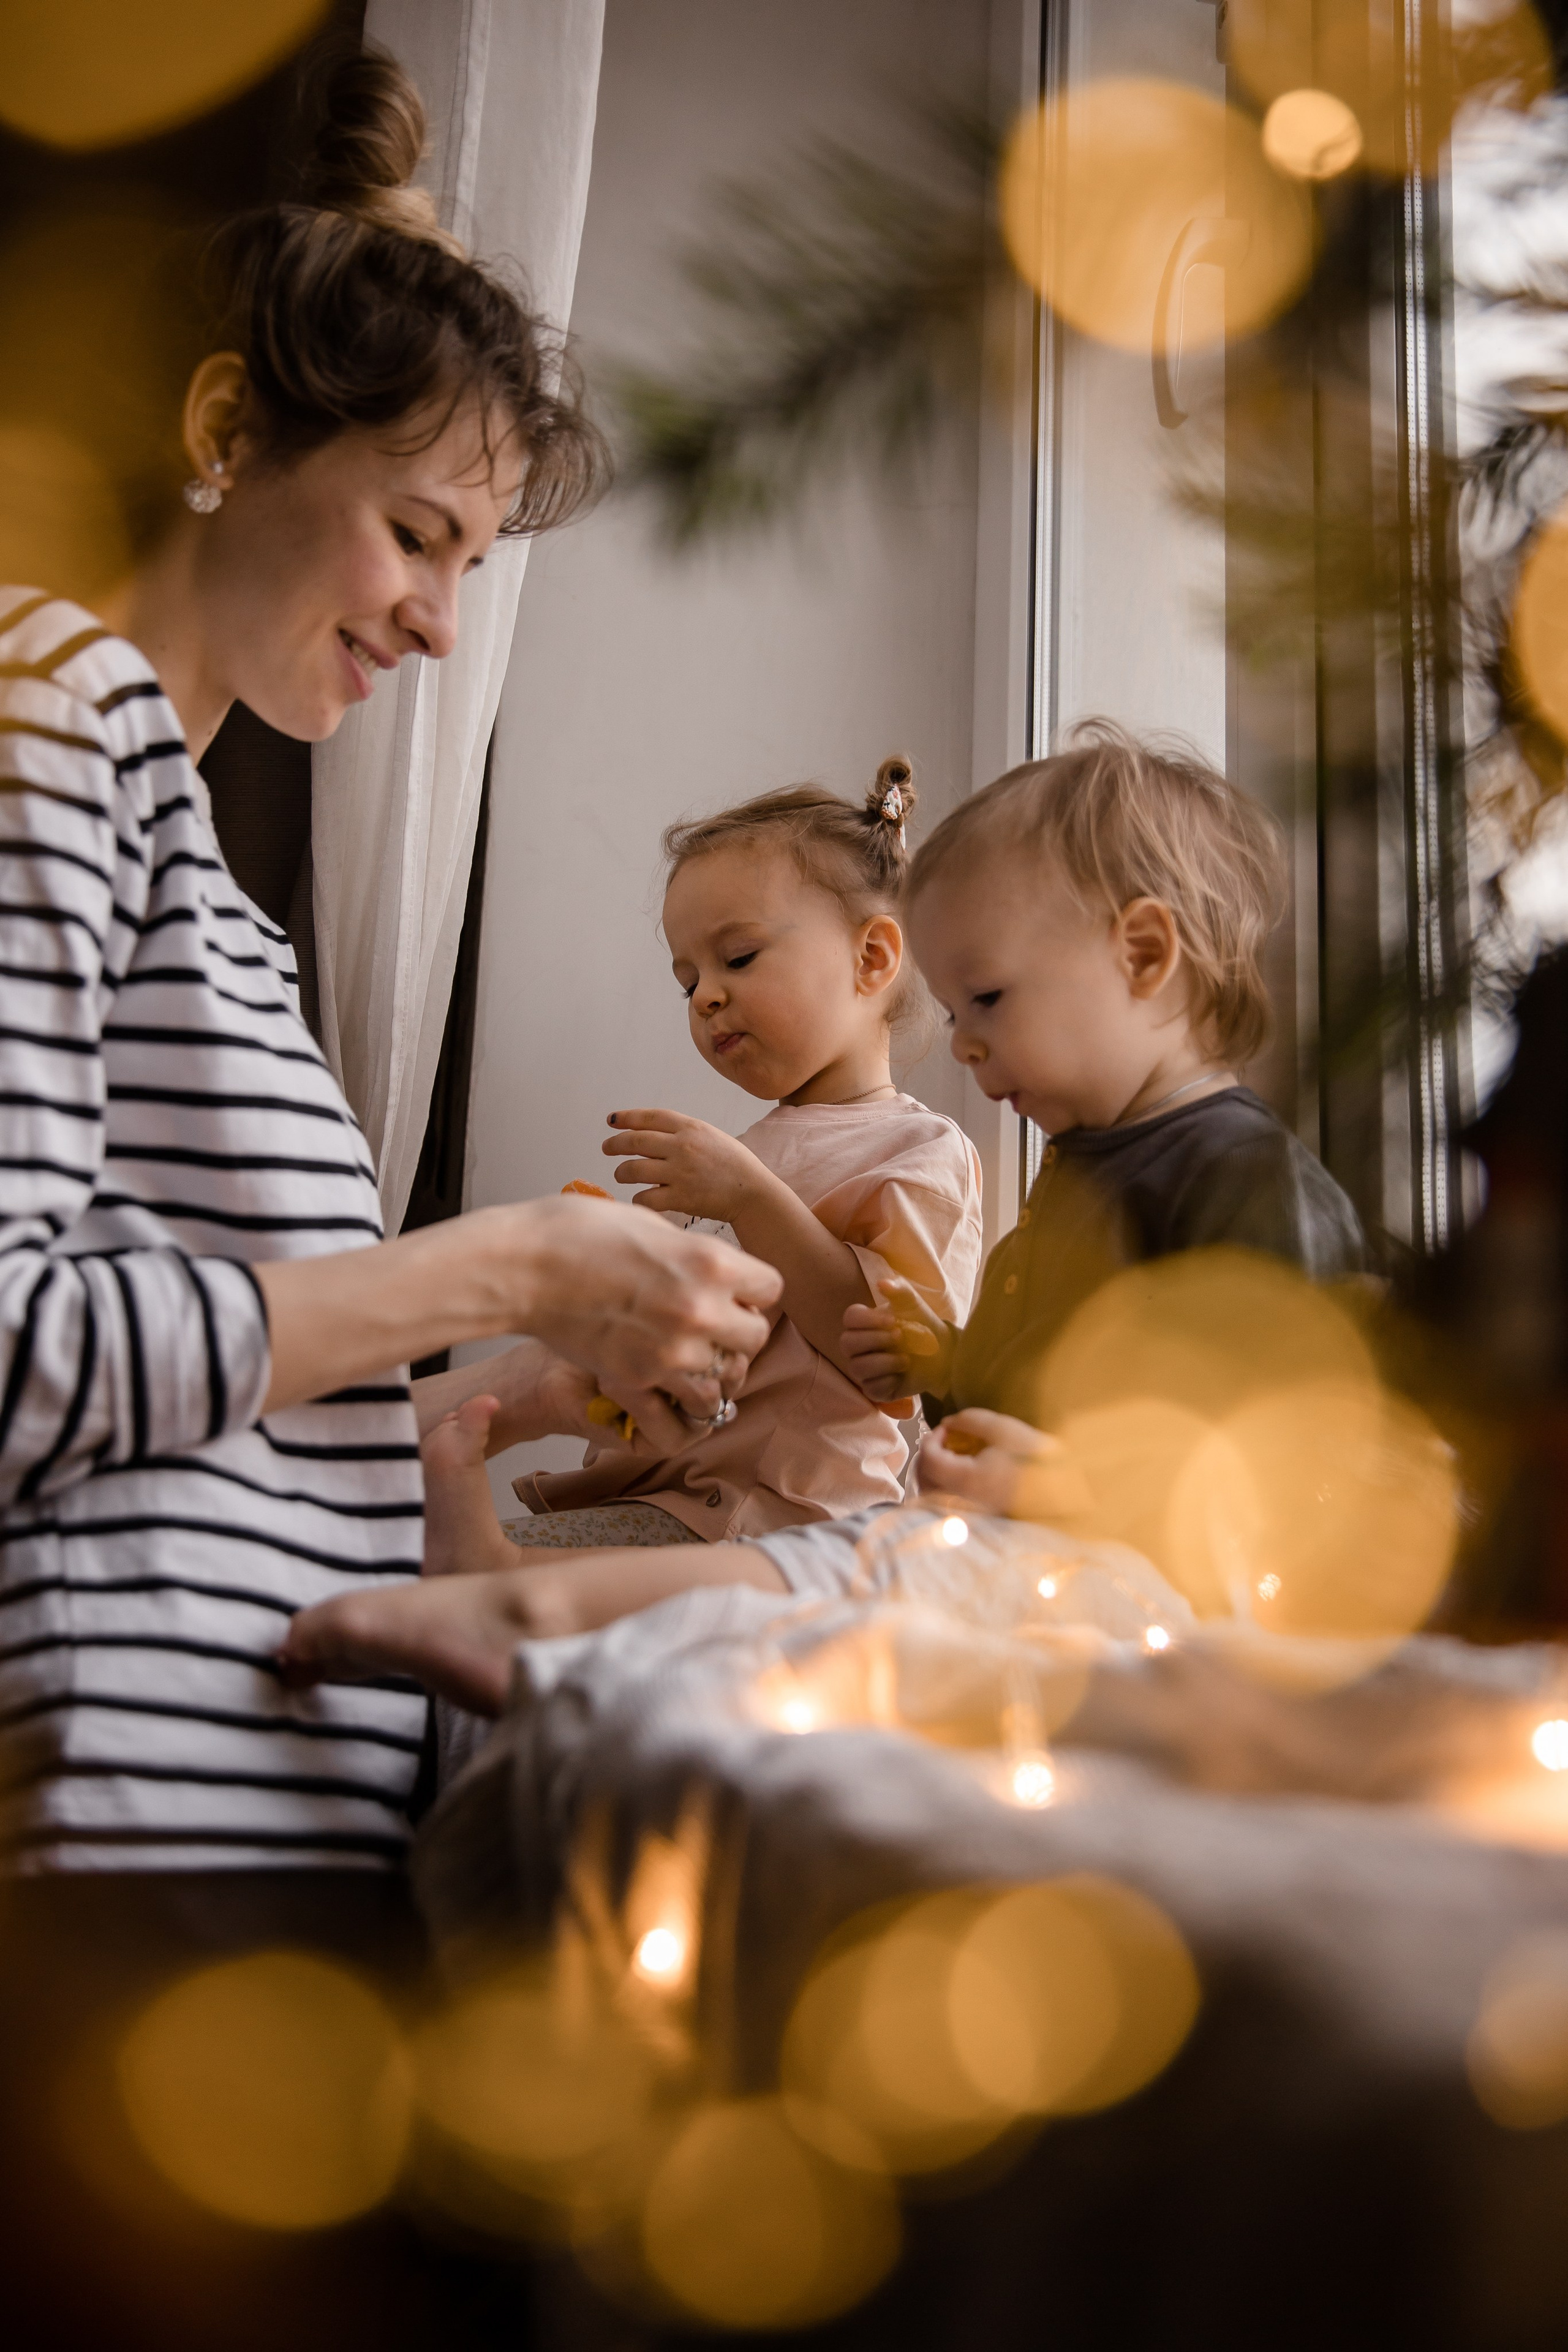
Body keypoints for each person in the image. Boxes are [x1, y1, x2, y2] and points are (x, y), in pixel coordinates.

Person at [0, 50, 781, 2343]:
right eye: (417, 536)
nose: (445, 623)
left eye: (474, 557)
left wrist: (468, 1496)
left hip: (288, 1840)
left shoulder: (213, 889)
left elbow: (242, 1373)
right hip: (142, 1863)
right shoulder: (45, 713)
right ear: (233, 438)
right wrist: (511, 1256)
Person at [281, 723, 1366, 1709]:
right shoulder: (1075, 1168)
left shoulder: (1222, 1173)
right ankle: (498, 1578)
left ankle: (519, 1598)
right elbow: (983, 1375)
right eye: (686, 977)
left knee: (846, 1576)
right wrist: (936, 1361)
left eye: (986, 1003)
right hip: (859, 1508)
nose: (970, 1045)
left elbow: (1288, 1438)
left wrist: (1060, 1476)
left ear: (1142, 956)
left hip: (831, 1512)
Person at [484, 761, 982, 1553]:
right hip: (672, 1500)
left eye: (738, 959)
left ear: (874, 959)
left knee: (444, 1586)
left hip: (776, 1525)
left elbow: (894, 1368)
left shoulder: (922, 1151)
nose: (708, 996)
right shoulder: (755, 1151)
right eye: (688, 983)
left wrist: (750, 1200)